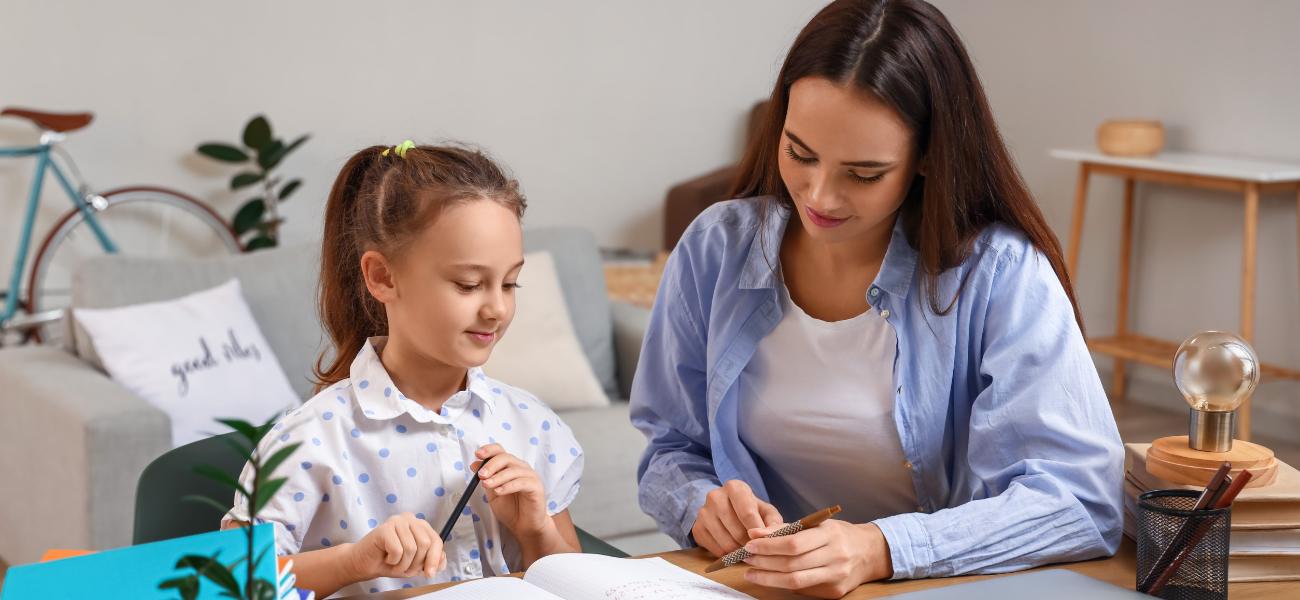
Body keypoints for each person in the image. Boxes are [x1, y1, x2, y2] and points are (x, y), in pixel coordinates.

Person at [630, 1, 1123, 597]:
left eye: (862, 174)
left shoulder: (999, 273)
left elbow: (1078, 501)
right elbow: (669, 447)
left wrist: (882, 548)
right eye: (800, 153)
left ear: (925, 160)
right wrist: (699, 503)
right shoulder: (717, 248)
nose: (819, 196)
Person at [223, 142, 583, 597]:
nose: (496, 308)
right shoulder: (308, 443)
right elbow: (228, 583)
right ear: (382, 277)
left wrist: (535, 531)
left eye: (510, 283)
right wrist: (353, 561)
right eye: (469, 284)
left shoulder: (532, 426)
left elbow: (579, 582)